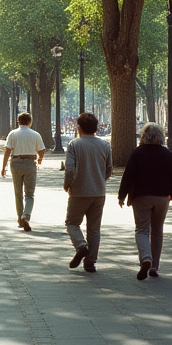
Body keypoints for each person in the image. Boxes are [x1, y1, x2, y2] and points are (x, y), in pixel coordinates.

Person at [117, 123, 172, 279]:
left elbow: (128, 176)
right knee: (157, 231)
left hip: (141, 196)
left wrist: (122, 195)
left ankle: (145, 257)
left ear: (143, 137)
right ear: (160, 137)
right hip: (162, 197)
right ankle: (154, 266)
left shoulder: (137, 153)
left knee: (142, 230)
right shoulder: (167, 154)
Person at [64, 112, 114, 272]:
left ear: (79, 127)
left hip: (79, 190)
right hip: (99, 191)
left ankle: (80, 245)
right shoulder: (105, 145)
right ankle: (91, 261)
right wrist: (101, 180)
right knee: (94, 228)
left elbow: (70, 168)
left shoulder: (74, 145)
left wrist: (68, 184)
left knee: (72, 222)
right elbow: (109, 168)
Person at [0, 112, 46, 231]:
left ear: (18, 121)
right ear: (30, 122)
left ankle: (20, 219)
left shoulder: (13, 134)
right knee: (29, 194)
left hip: (16, 162)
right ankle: (26, 214)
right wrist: (40, 159)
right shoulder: (35, 134)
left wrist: (3, 167)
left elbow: (7, 151)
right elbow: (41, 150)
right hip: (30, 163)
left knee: (18, 193)